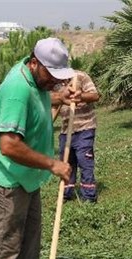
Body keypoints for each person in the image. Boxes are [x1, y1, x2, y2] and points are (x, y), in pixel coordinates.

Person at [0, 37, 78, 259]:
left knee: (29, 235)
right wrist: (52, 164)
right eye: (52, 75)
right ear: (35, 62)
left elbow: (39, 97)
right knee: (5, 240)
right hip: (5, 177)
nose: (55, 81)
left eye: (59, 76)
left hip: (26, 176)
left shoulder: (34, 80)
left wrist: (59, 97)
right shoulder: (16, 90)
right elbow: (9, 145)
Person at [51, 70, 100, 202]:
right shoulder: (54, 82)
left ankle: (89, 196)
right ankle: (66, 193)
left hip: (85, 127)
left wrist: (81, 96)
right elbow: (55, 106)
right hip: (66, 131)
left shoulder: (80, 76)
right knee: (67, 162)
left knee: (85, 161)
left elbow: (95, 95)